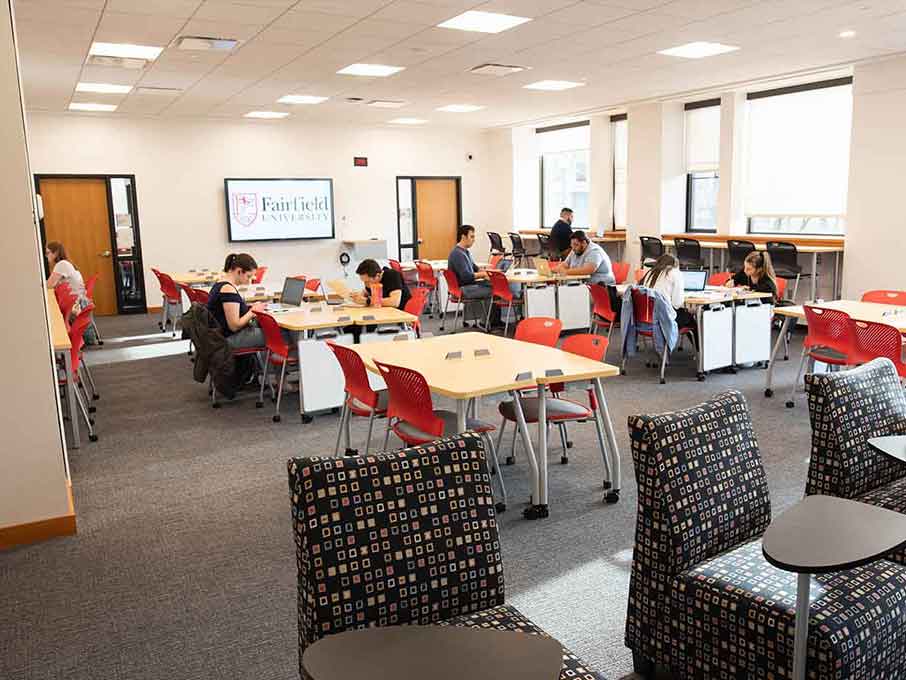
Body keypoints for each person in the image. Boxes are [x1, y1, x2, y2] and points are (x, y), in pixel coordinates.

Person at [206, 253, 267, 350]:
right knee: (277, 335)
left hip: (221, 336)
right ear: (239, 271)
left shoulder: (221, 284)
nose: (249, 281)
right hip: (229, 338)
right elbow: (234, 326)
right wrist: (252, 311)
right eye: (248, 276)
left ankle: (262, 363)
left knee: (268, 328)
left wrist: (250, 308)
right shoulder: (227, 289)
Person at [46, 241, 97, 343]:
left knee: (53, 313)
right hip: (81, 302)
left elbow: (49, 285)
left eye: (48, 253)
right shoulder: (66, 263)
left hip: (76, 305)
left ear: (55, 253)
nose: (46, 256)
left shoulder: (62, 264)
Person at [641, 254, 697, 341]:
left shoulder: (650, 273)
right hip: (664, 318)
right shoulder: (675, 273)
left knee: (685, 315)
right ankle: (700, 351)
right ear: (675, 265)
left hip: (646, 318)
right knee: (689, 318)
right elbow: (676, 304)